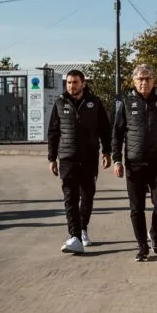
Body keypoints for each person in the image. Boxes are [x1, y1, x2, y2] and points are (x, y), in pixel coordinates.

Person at [112, 64, 157, 262]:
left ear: (154, 80)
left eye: (148, 79)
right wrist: (117, 159)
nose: (144, 82)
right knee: (137, 208)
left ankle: (155, 231)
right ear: (133, 81)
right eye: (140, 79)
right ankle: (142, 246)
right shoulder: (125, 102)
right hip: (134, 163)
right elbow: (116, 133)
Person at [47, 70, 112, 254]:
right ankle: (74, 236)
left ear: (83, 83)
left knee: (87, 195)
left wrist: (106, 152)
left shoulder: (95, 103)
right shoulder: (60, 103)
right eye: (68, 82)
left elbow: (104, 130)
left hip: (89, 157)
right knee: (70, 197)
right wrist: (52, 158)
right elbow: (53, 132)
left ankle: (83, 228)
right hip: (67, 158)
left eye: (75, 82)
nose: (71, 86)